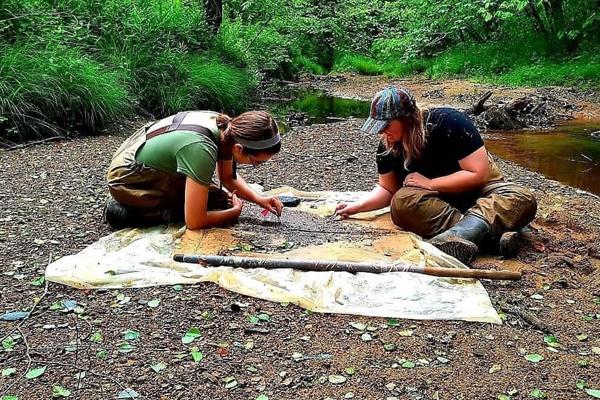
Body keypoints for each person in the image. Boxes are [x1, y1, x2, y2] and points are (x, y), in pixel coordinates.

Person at [335, 86, 537, 265]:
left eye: (386, 126)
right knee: (402, 203)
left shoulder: (449, 122)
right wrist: (358, 207)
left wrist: (431, 183)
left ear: (407, 118)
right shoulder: (387, 147)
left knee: (522, 197)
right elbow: (387, 188)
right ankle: (490, 236)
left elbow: (479, 174)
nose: (382, 133)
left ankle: (464, 237)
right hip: (441, 204)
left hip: (479, 190)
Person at [104, 110, 283, 230]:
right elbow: (195, 222)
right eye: (256, 163)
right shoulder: (201, 148)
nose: (256, 166)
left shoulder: (227, 129)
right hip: (130, 177)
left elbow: (228, 178)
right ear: (239, 149)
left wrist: (259, 199)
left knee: (219, 199)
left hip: (147, 157)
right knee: (216, 206)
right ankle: (122, 210)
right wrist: (233, 213)